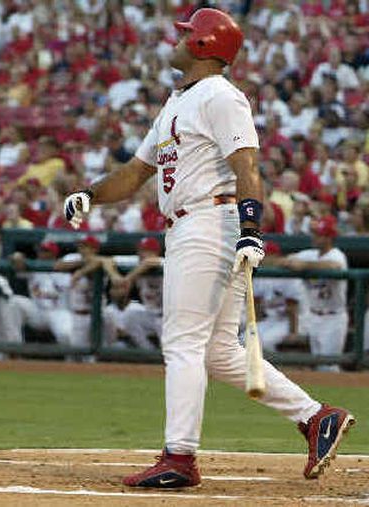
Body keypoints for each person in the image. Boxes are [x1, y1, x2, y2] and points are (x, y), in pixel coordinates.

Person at [64, 8, 355, 487]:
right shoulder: (178, 102)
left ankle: (179, 457)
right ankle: (316, 418)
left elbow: (247, 166)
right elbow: (136, 173)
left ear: (203, 45)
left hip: (209, 221)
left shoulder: (222, 96)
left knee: (182, 342)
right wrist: (90, 194)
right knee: (219, 353)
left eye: (186, 35)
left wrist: (250, 228)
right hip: (190, 224)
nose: (176, 41)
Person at [279, 216, 349, 372]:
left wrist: (306, 266)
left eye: (319, 234)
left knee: (328, 366)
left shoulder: (337, 255)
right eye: (315, 233)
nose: (315, 237)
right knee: (319, 365)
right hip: (314, 316)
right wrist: (293, 262)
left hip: (333, 318)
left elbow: (334, 266)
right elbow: (284, 260)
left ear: (329, 237)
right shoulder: (310, 253)